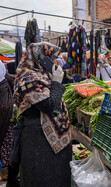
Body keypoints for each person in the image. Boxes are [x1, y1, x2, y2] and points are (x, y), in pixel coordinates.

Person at [14, 42, 72, 187]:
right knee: (40, 178)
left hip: (45, 139)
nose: (53, 62)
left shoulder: (42, 75)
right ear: (39, 57)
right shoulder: (29, 78)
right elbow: (48, 105)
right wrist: (57, 83)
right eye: (50, 58)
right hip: (38, 139)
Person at [0, 61, 20, 187]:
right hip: (8, 119)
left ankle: (12, 180)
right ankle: (12, 180)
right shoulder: (6, 83)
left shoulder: (4, 87)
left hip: (6, 120)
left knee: (9, 150)